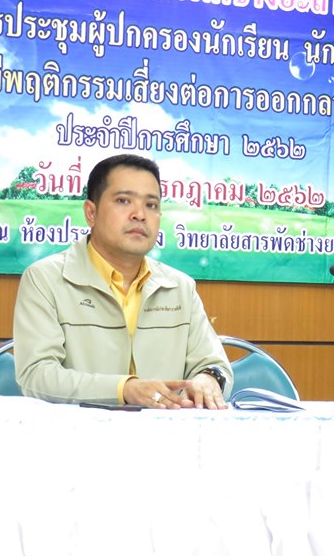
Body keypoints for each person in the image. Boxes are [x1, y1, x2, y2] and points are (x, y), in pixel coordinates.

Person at [14, 154, 233, 409]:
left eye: (151, 205)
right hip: (79, 430)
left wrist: (208, 380)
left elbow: (214, 365)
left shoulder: (180, 287)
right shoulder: (45, 279)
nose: (140, 214)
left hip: (167, 430)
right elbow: (36, 375)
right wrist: (123, 390)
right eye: (123, 201)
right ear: (91, 213)